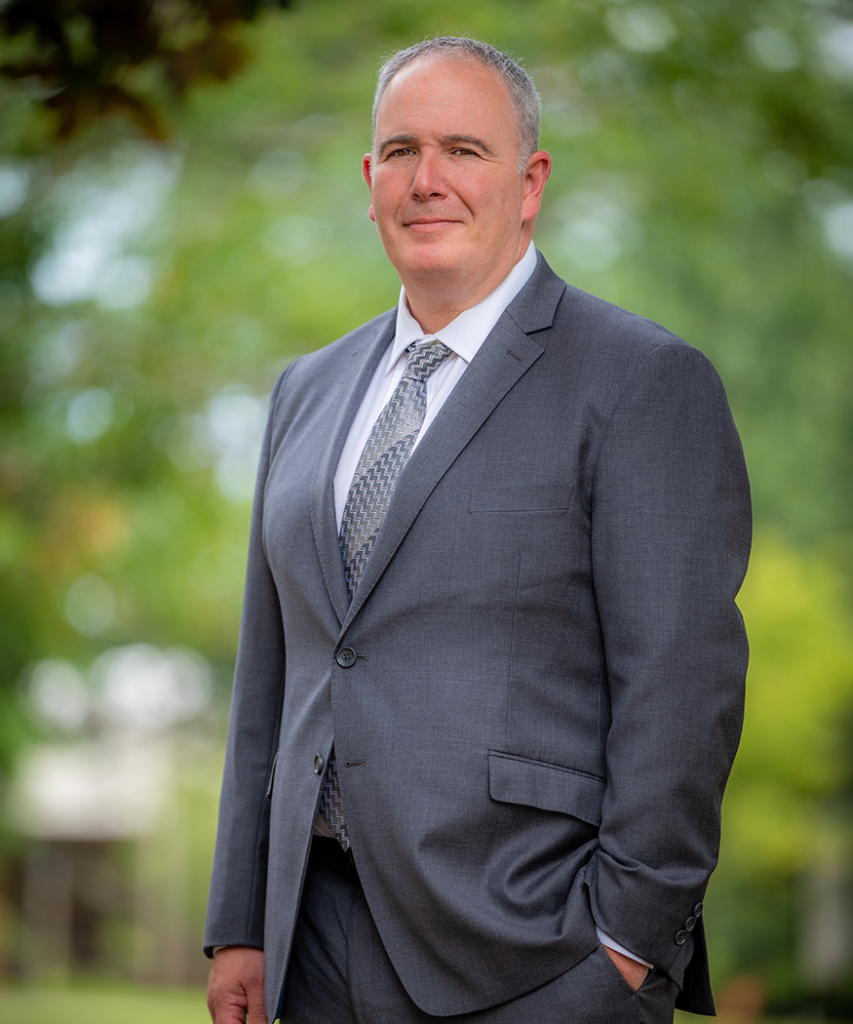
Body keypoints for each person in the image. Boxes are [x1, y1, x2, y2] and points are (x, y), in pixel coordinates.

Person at [205, 36, 750, 1024]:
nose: (428, 180)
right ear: (368, 181)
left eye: (464, 149)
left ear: (529, 181)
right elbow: (270, 676)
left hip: (531, 951)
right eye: (401, 152)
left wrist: (625, 947)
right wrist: (241, 919)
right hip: (308, 943)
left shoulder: (638, 381)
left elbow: (682, 691)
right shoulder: (305, 389)